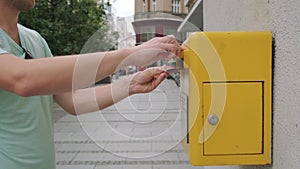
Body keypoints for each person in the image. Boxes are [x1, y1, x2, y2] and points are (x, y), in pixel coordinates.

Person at [0, 0, 183, 169]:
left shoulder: (35, 40)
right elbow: (22, 79)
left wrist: (129, 85)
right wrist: (129, 55)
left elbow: (71, 100)